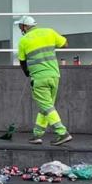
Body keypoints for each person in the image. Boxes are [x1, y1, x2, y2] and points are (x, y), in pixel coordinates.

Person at [15, 15, 72, 146]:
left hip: (39, 78)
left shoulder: (23, 40)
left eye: (20, 26)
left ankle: (62, 132)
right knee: (46, 106)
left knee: (46, 106)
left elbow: (22, 62)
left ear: (24, 27)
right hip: (54, 76)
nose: (20, 29)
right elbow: (65, 44)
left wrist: (27, 73)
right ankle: (37, 135)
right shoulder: (49, 32)